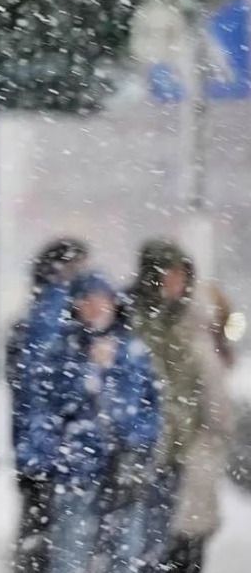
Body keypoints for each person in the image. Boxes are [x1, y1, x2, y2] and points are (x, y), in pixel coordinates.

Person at [21, 271, 161, 573]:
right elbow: (47, 406)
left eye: (103, 300)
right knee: (71, 550)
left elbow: (147, 411)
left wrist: (135, 446)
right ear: (76, 305)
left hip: (124, 472)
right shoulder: (63, 350)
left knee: (126, 553)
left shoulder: (132, 351)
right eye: (88, 300)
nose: (96, 308)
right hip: (77, 470)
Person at [125, 239, 233, 573]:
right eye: (168, 276)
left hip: (180, 455)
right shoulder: (135, 322)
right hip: (147, 453)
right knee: (145, 547)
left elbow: (212, 399)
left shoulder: (188, 326)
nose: (176, 284)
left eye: (181, 277)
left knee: (179, 547)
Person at [9, 238, 88, 573]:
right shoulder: (55, 317)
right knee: (55, 539)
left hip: (38, 447)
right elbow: (44, 389)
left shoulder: (36, 317)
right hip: (52, 449)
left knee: (39, 533)